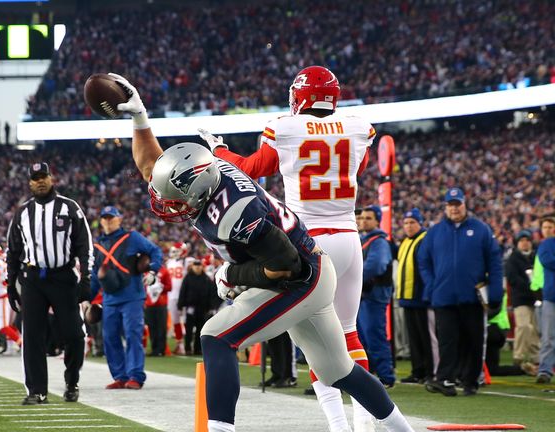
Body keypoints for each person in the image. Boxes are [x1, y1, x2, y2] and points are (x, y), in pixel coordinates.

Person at [112, 72, 413, 432]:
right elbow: (151, 166)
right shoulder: (209, 175)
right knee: (340, 370)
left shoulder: (233, 212)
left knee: (216, 336)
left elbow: (285, 266)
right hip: (328, 251)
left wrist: (230, 274)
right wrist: (139, 117)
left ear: (195, 192)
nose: (166, 204)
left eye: (173, 199)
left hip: (303, 276)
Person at [200, 65, 378, 431]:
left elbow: (251, 169)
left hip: (309, 243)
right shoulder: (360, 125)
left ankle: (338, 426)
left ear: (300, 95)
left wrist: (218, 150)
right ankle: (366, 424)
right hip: (348, 236)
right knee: (348, 332)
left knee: (315, 341)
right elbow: (356, 165)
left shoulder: (285, 126)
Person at [6, 161, 94, 404]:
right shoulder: (22, 212)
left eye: (43, 176)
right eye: (35, 178)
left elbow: (84, 246)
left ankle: (72, 381)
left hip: (62, 276)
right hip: (33, 278)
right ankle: (37, 391)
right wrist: (11, 283)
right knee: (32, 335)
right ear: (29, 182)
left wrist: (86, 278)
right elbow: (12, 251)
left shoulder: (70, 207)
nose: (40, 181)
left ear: (52, 178)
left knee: (74, 334)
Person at [418, 187, 503, 396]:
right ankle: (445, 378)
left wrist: (495, 293)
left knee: (473, 340)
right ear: (445, 207)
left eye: (457, 204)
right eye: (450, 205)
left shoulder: (481, 229)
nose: (454, 209)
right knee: (447, 340)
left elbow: (494, 262)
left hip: (472, 297)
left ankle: (470, 381)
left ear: (465, 205)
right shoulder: (435, 232)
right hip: (444, 296)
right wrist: (432, 285)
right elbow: (423, 261)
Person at [90, 205, 163, 389]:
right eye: (105, 218)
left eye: (111, 218)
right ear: (101, 221)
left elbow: (155, 251)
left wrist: (153, 270)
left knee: (133, 334)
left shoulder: (132, 237)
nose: (108, 221)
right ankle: (120, 376)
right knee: (110, 337)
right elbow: (94, 275)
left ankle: (136, 376)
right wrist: (86, 298)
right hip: (109, 299)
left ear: (119, 219)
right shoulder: (97, 245)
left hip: (132, 296)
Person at [359, 206, 396, 387]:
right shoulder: (364, 239)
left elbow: (377, 265)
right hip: (364, 295)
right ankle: (371, 374)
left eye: (368, 218)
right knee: (364, 338)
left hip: (373, 295)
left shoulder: (379, 241)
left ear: (377, 220)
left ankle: (386, 376)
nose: (363, 220)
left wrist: (354, 277)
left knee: (375, 336)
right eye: (362, 217)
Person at [395, 209, 434, 384]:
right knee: (413, 338)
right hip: (407, 297)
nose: (409, 226)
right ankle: (417, 370)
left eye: (412, 222)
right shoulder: (404, 242)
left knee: (425, 337)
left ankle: (429, 371)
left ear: (420, 224)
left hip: (420, 297)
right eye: (406, 223)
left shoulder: (424, 240)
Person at [505, 229, 540, 368]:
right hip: (520, 299)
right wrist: (532, 286)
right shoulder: (512, 259)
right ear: (517, 244)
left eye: (527, 240)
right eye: (521, 241)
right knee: (524, 326)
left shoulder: (536, 257)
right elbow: (513, 279)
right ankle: (518, 355)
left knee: (535, 328)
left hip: (535, 299)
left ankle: (535, 356)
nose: (524, 243)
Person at [177, 259, 219, 356]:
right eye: (196, 266)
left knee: (200, 330)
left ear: (202, 267)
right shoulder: (187, 278)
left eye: (199, 266)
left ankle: (197, 349)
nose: (197, 268)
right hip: (190, 307)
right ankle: (187, 349)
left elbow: (211, 293)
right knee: (188, 330)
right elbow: (182, 292)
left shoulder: (206, 279)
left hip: (202, 308)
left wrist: (212, 306)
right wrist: (180, 305)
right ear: (192, 267)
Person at [166, 242, 196, 354]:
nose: (173, 253)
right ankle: (180, 345)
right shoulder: (169, 262)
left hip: (185, 295)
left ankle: (190, 344)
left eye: (176, 251)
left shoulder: (188, 261)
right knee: (176, 321)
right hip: (172, 295)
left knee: (188, 321)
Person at [535, 215, 555, 383]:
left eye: (551, 227)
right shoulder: (546, 245)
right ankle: (545, 370)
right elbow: (548, 261)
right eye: (545, 227)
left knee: (548, 335)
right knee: (548, 336)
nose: (548, 230)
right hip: (551, 296)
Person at [144, 265, 172, 357]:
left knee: (161, 328)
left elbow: (169, 286)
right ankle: (154, 349)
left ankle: (161, 350)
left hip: (161, 304)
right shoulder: (145, 270)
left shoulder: (164, 271)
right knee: (152, 328)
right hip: (149, 304)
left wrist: (160, 287)